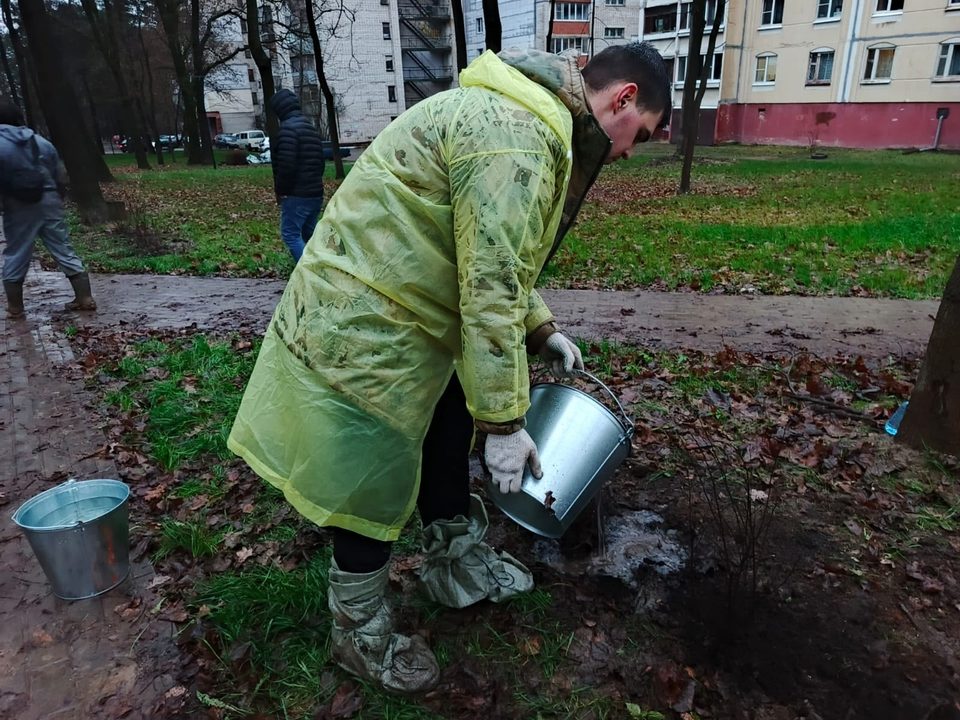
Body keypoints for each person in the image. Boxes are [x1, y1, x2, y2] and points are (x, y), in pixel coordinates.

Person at [228, 44, 671, 693]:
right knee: (368, 477)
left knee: (445, 426)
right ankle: (358, 632)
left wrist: (540, 326)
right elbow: (490, 281)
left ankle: (450, 562)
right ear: (624, 98)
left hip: (406, 311)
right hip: (369, 321)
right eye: (645, 133)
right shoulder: (517, 136)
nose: (633, 151)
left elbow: (493, 250)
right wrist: (505, 422)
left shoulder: (525, 118)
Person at [0, 98, 96, 320]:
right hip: (50, 199)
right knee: (63, 247)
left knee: (17, 252)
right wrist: (56, 196)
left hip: (19, 205)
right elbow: (59, 173)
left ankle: (15, 307)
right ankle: (85, 297)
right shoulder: (39, 141)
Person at [269, 89, 326, 262]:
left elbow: (286, 166)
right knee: (310, 234)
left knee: (290, 234)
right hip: (315, 192)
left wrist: (281, 191)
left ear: (279, 109)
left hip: (297, 194)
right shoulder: (310, 128)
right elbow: (320, 162)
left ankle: (309, 274)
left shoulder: (287, 130)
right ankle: (324, 266)